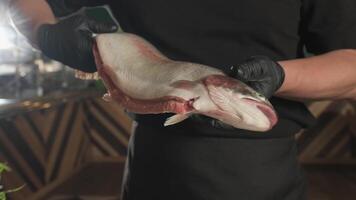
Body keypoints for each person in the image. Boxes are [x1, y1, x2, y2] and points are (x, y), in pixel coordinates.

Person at [10, 0, 356, 199]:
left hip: (262, 176)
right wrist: (46, 34)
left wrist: (279, 76)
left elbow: (351, 65)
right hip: (152, 167)